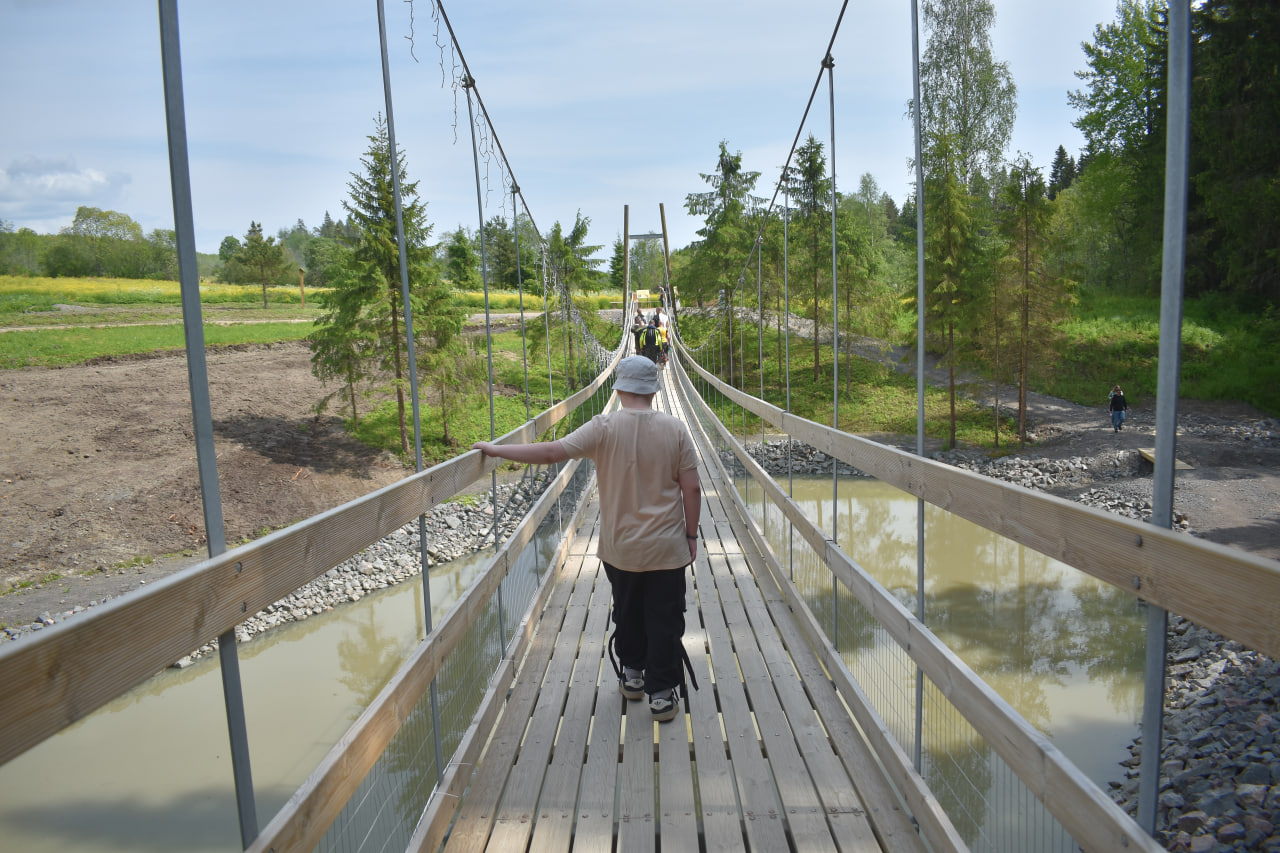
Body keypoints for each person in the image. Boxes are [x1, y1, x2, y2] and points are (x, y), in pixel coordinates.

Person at [472, 355, 701, 723]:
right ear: (655, 390)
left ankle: (632, 674)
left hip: (620, 548)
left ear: (621, 388)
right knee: (664, 616)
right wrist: (690, 535)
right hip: (666, 548)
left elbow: (550, 452)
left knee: (627, 612)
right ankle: (661, 694)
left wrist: (497, 451)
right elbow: (691, 488)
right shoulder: (676, 430)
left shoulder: (603, 427)